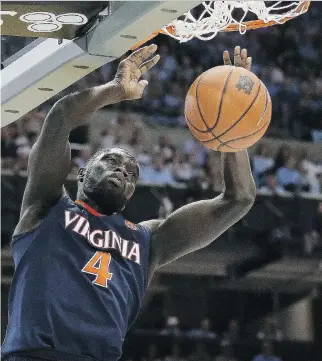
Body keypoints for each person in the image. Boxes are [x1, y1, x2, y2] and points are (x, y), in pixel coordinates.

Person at [2, 45, 256, 361]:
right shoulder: (47, 205)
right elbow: (60, 118)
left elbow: (239, 198)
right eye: (111, 160)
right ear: (81, 174)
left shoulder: (148, 239)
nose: (123, 169)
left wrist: (235, 131)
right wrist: (112, 91)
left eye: (132, 173)